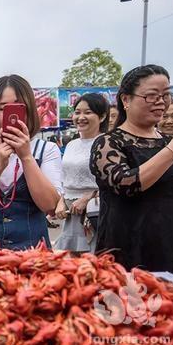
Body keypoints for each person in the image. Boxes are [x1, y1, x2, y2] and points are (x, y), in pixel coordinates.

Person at [90, 65, 173, 274]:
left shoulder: (169, 141)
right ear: (126, 100)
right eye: (151, 96)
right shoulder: (108, 143)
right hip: (127, 252)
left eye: (165, 95)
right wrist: (172, 151)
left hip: (172, 247)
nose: (160, 101)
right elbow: (126, 184)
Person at [0, 74, 62, 250]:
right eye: (2, 108)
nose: (11, 116)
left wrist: (26, 157)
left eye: (18, 107)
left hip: (34, 252)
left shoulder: (47, 149)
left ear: (29, 109)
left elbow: (49, 205)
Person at [54, 93, 109, 253]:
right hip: (71, 214)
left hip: (96, 215)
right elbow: (66, 178)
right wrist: (61, 201)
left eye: (88, 112)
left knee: (94, 265)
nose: (81, 117)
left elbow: (114, 182)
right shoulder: (71, 144)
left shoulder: (108, 143)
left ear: (102, 116)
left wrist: (88, 198)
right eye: (77, 112)